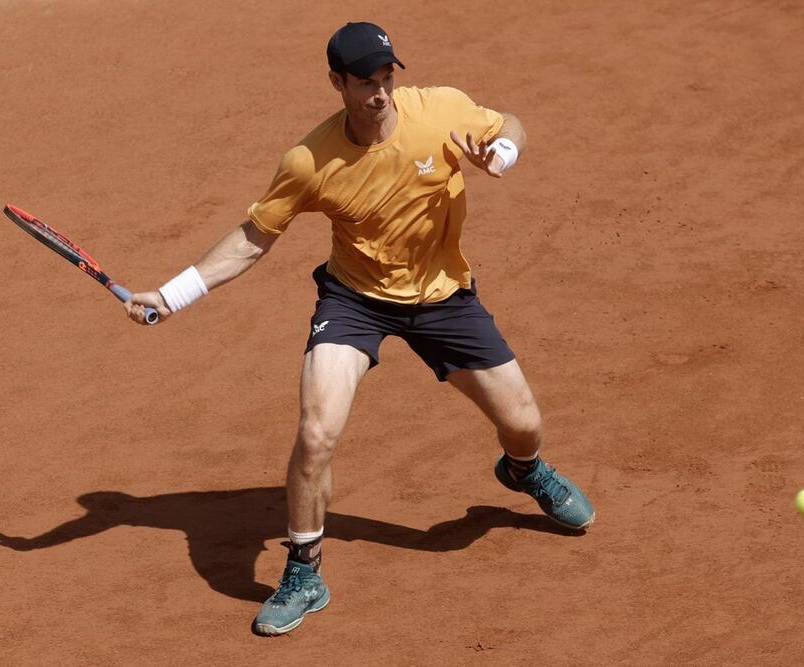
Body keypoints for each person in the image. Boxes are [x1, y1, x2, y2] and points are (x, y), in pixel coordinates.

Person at [124, 21, 595, 636]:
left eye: (386, 78)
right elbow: (252, 239)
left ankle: (524, 470)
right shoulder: (309, 161)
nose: (380, 93)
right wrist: (172, 294)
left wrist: (502, 151)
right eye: (365, 82)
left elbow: (510, 122)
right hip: (354, 300)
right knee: (316, 433)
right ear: (336, 83)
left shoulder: (440, 111)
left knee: (524, 423)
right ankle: (304, 570)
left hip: (443, 297)